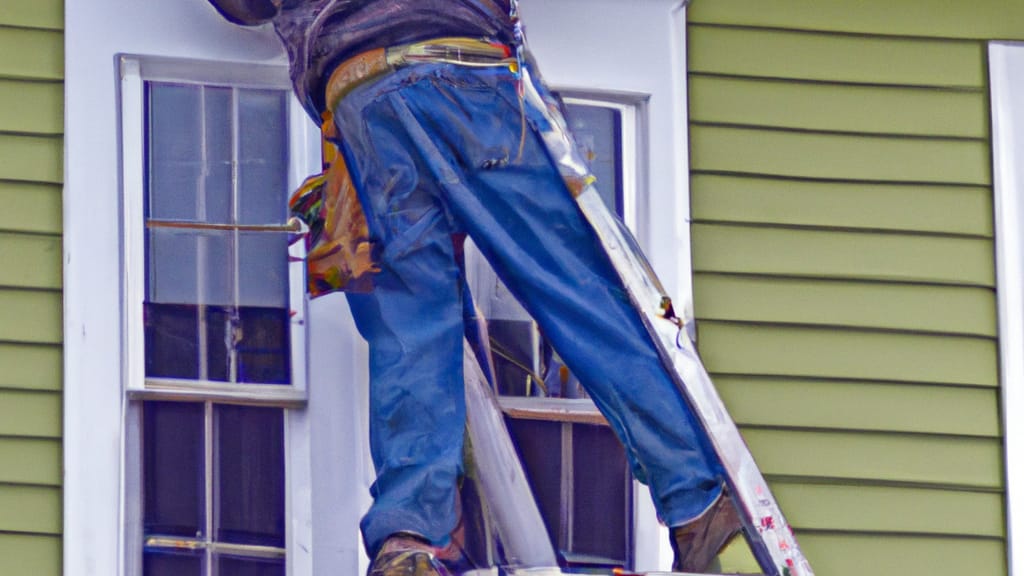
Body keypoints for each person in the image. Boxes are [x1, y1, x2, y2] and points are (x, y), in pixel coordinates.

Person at [205, 1, 741, 574]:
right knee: (577, 292)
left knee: (412, 332)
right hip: (462, 68)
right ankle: (696, 499)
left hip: (358, 96)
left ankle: (410, 538)